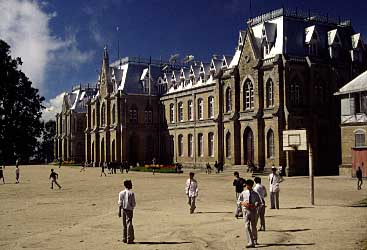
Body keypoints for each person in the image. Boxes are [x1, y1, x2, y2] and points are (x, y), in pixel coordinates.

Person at [238, 179, 263, 248]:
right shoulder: (243, 193)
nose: (246, 186)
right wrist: (243, 203)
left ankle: (254, 240)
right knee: (247, 226)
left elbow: (260, 203)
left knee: (253, 226)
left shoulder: (255, 194)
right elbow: (239, 201)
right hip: (246, 210)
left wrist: (256, 204)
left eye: (247, 185)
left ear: (249, 185)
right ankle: (251, 241)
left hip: (253, 211)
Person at [118, 179, 136, 244]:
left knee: (124, 224)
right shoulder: (131, 193)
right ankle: (129, 238)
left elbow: (120, 203)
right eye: (131, 184)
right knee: (129, 223)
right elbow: (133, 203)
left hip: (123, 209)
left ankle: (124, 238)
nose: (132, 185)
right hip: (129, 210)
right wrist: (132, 207)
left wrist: (119, 211)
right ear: (128, 185)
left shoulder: (121, 193)